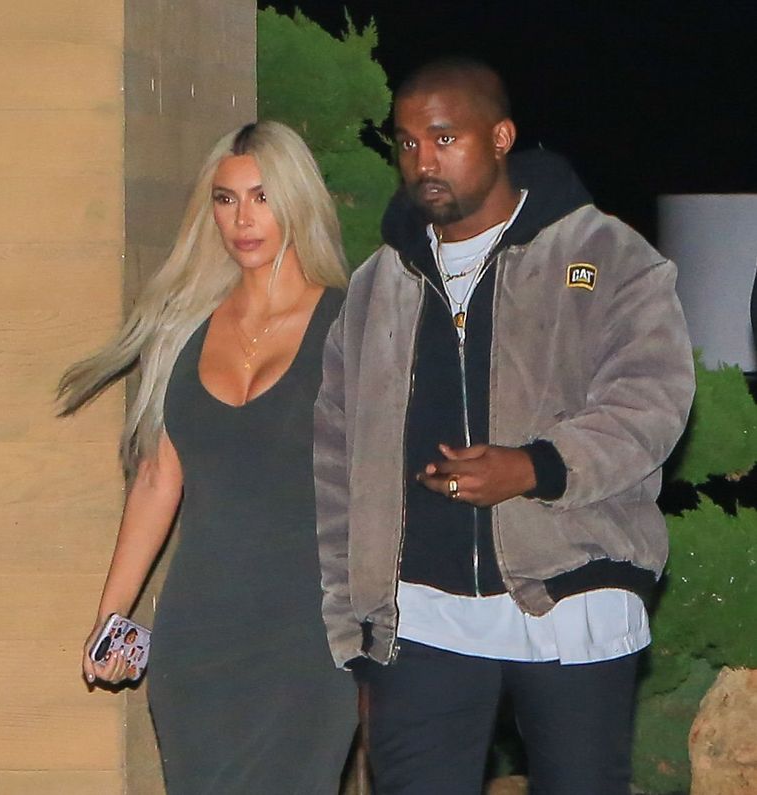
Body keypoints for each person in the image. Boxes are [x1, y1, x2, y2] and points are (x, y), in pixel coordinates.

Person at [313, 58, 695, 795]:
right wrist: (353, 623)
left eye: (444, 138)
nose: (423, 161)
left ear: (499, 137)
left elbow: (653, 399)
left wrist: (536, 467)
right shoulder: (377, 284)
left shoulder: (603, 253)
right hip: (419, 614)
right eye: (408, 143)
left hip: (571, 591)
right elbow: (336, 459)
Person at [59, 121, 357, 794]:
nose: (242, 219)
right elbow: (156, 478)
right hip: (197, 636)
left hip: (309, 636)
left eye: (262, 197)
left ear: (298, 201)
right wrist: (111, 616)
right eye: (226, 199)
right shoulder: (184, 327)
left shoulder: (349, 326)